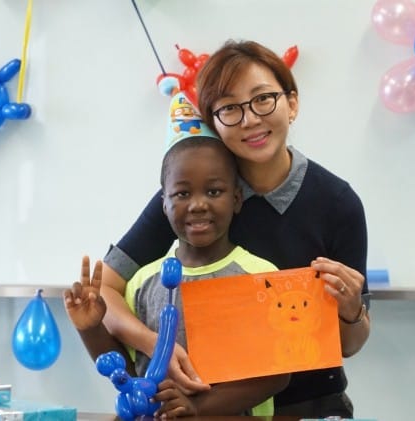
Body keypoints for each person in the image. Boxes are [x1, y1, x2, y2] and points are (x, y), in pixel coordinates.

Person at [100, 40, 371, 418]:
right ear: (214, 122)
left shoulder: (336, 203)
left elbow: (349, 344)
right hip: (205, 409)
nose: (250, 120)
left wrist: (350, 309)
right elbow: (105, 290)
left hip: (310, 407)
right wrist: (154, 343)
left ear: (291, 104)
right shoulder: (194, 199)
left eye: (264, 99)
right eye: (229, 108)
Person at [65, 94, 289, 417]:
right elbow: (128, 372)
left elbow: (277, 374)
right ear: (164, 205)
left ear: (237, 198)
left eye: (214, 191)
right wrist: (90, 328)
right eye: (182, 193)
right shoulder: (143, 282)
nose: (198, 204)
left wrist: (198, 408)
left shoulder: (260, 276)